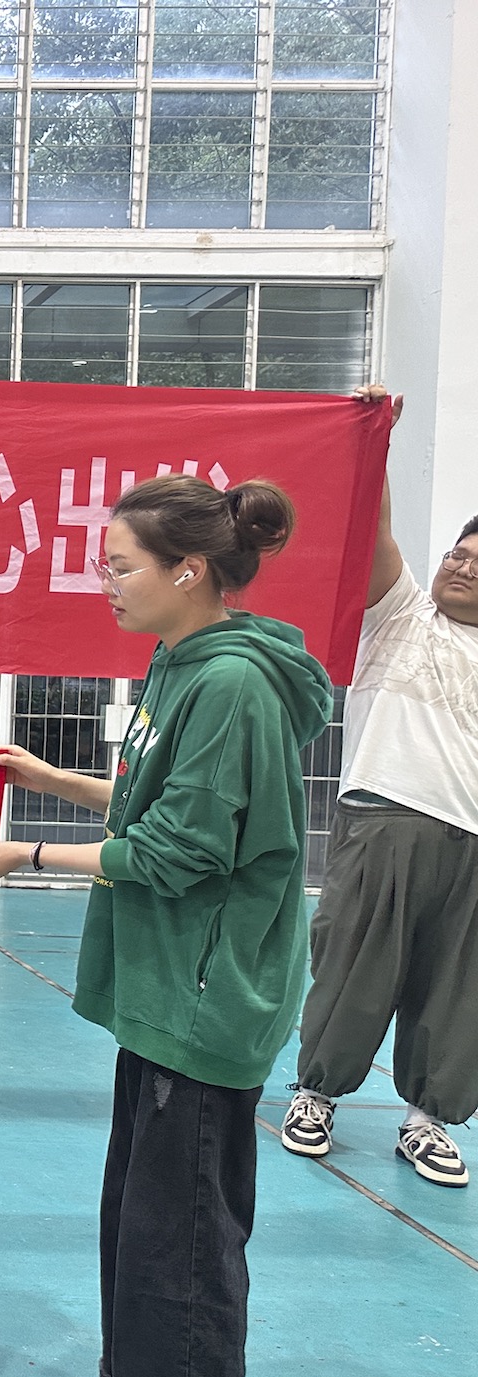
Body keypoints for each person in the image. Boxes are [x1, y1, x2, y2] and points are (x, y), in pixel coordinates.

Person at [0, 474, 332, 1377]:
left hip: (203, 996)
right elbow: (151, 800)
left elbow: (180, 849)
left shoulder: (233, 684)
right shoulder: (179, 662)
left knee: (184, 1246)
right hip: (164, 989)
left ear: (188, 570)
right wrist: (50, 780)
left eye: (120, 567)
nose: (106, 583)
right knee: (142, 1223)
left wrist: (27, 854)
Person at [282, 387, 478, 1188]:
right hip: (383, 821)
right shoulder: (400, 615)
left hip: (472, 844)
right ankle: (316, 1096)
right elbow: (377, 531)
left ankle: (429, 1121)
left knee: (458, 991)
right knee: (353, 970)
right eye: (460, 554)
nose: (463, 567)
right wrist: (377, 439)